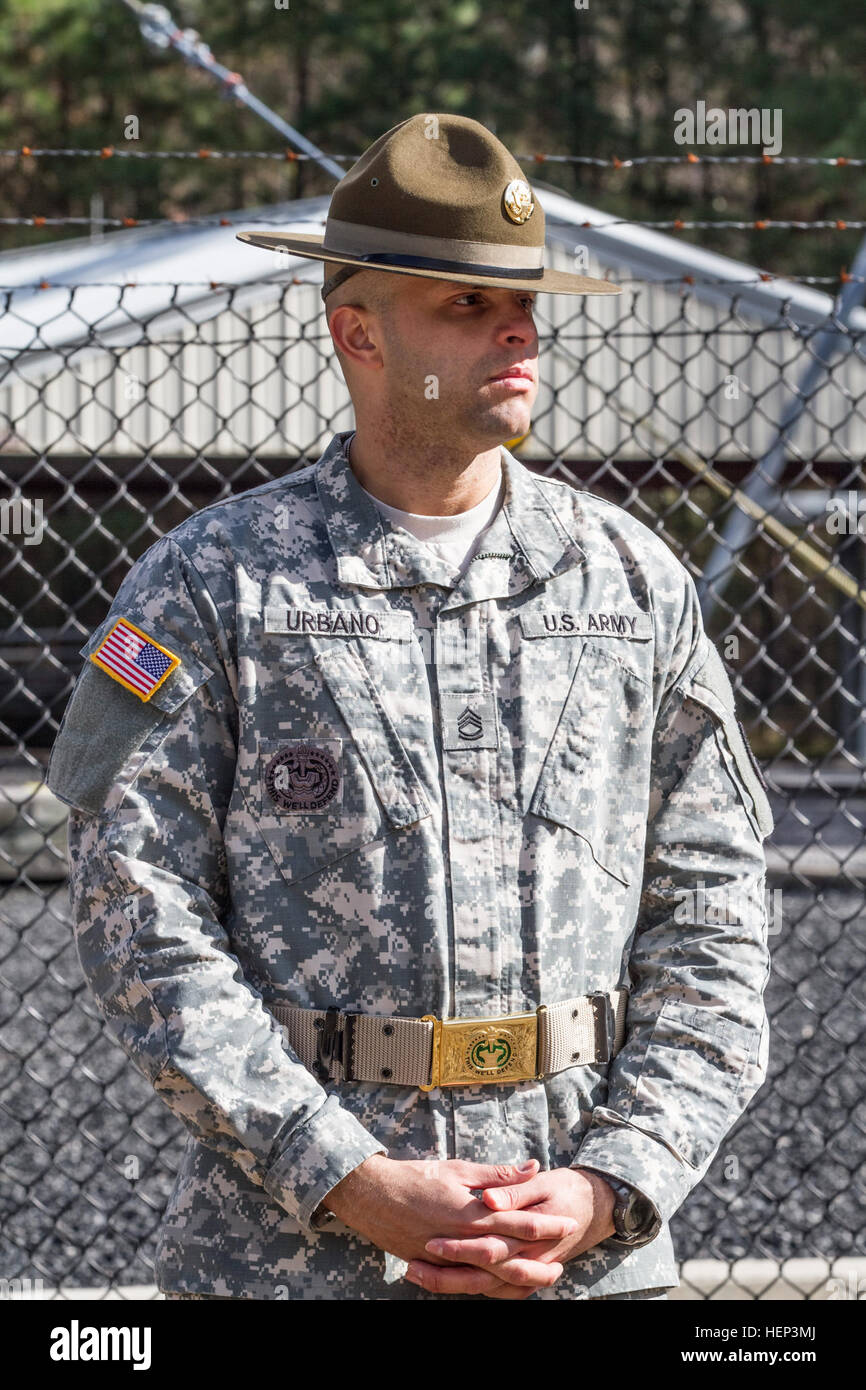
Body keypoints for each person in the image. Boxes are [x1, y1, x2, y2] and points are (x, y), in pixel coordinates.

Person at [47, 112, 773, 1301]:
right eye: (467, 304)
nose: (518, 331)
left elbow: (715, 909)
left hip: (580, 1255)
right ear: (358, 332)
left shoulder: (627, 581)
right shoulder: (212, 585)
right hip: (295, 1258)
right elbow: (137, 908)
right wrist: (344, 1174)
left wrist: (611, 1183)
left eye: (524, 303)